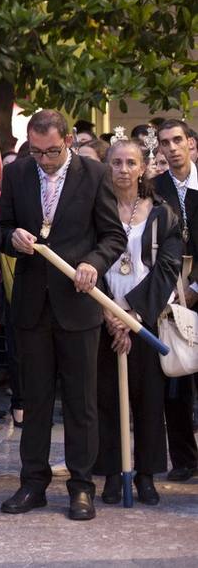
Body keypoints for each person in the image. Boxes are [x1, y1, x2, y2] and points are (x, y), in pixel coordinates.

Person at [0, 109, 126, 522]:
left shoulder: (95, 174)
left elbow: (113, 236)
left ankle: (82, 486)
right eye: (36, 152)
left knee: (80, 401)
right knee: (35, 400)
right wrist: (13, 238)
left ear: (68, 140)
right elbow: (1, 229)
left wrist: (93, 263)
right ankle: (32, 483)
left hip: (78, 304)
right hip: (32, 305)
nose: (44, 160)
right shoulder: (17, 173)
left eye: (52, 151)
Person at [94, 136, 182, 506]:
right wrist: (109, 312)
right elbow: (86, 259)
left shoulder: (163, 214)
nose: (124, 170)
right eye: (116, 162)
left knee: (149, 400)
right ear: (107, 167)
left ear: (143, 167)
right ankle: (113, 474)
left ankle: (145, 475)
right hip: (102, 313)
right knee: (106, 398)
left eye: (131, 163)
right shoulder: (95, 210)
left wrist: (132, 316)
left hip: (145, 316)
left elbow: (167, 269)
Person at [152, 119, 198, 482]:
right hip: (168, 294)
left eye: (177, 140)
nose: (172, 148)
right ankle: (184, 459)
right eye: (165, 142)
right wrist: (170, 291)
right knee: (176, 378)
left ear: (191, 143)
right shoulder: (154, 190)